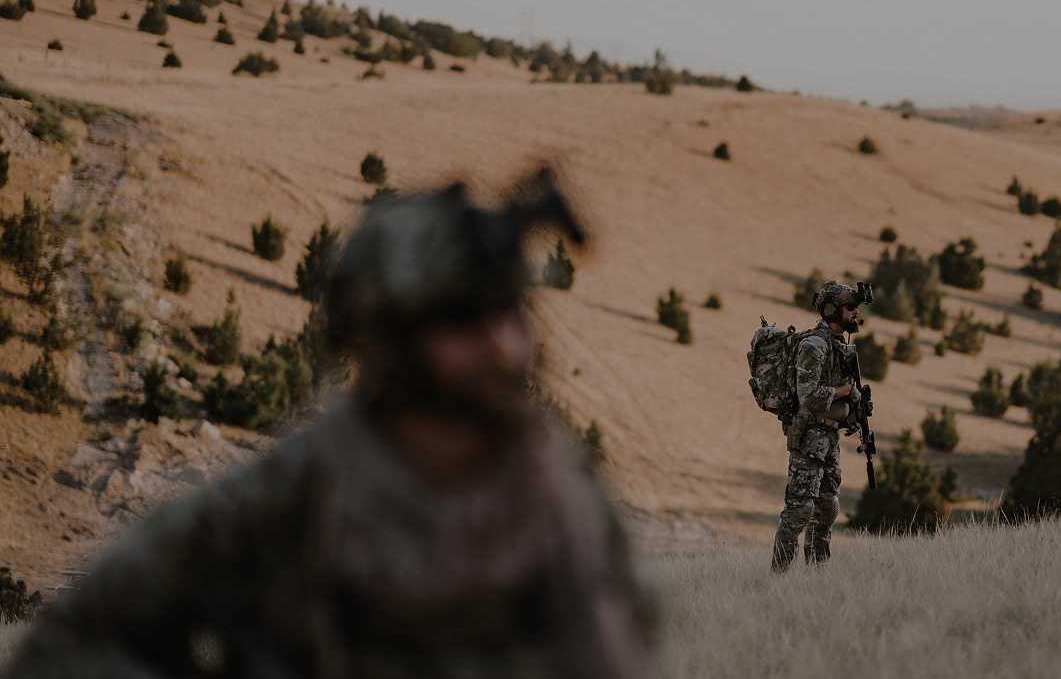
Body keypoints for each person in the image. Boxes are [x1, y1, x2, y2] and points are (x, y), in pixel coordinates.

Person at [10, 176, 654, 679]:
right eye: (463, 318)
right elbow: (68, 646)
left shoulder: (568, 505)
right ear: (391, 338)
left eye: (508, 308)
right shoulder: (285, 501)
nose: (502, 343)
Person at [771, 281, 864, 572]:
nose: (856, 313)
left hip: (829, 437)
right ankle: (778, 579)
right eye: (850, 308)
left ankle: (817, 577)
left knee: (827, 509)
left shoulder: (839, 347)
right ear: (832, 310)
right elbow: (807, 393)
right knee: (798, 510)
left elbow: (838, 391)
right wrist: (844, 391)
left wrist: (855, 401)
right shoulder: (814, 345)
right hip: (808, 437)